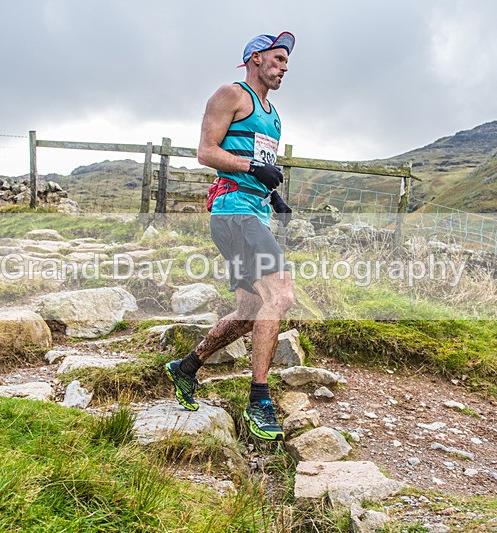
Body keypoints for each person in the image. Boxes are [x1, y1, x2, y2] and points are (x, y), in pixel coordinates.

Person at [164, 32, 296, 441]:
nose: (285, 67)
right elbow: (206, 152)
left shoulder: (272, 114)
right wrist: (254, 171)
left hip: (254, 212)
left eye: (287, 61)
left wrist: (273, 196)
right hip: (233, 212)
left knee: (249, 313)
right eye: (278, 58)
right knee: (282, 296)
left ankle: (186, 368)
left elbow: (259, 163)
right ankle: (259, 400)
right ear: (255, 59)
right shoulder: (231, 94)